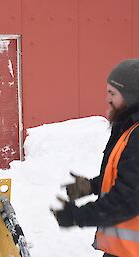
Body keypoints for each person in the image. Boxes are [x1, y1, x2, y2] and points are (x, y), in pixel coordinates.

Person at [52, 59, 139, 257]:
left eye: (113, 93)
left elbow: (127, 201)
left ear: (132, 97)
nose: (107, 99)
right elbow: (129, 180)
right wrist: (91, 186)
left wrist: (77, 216)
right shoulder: (128, 129)